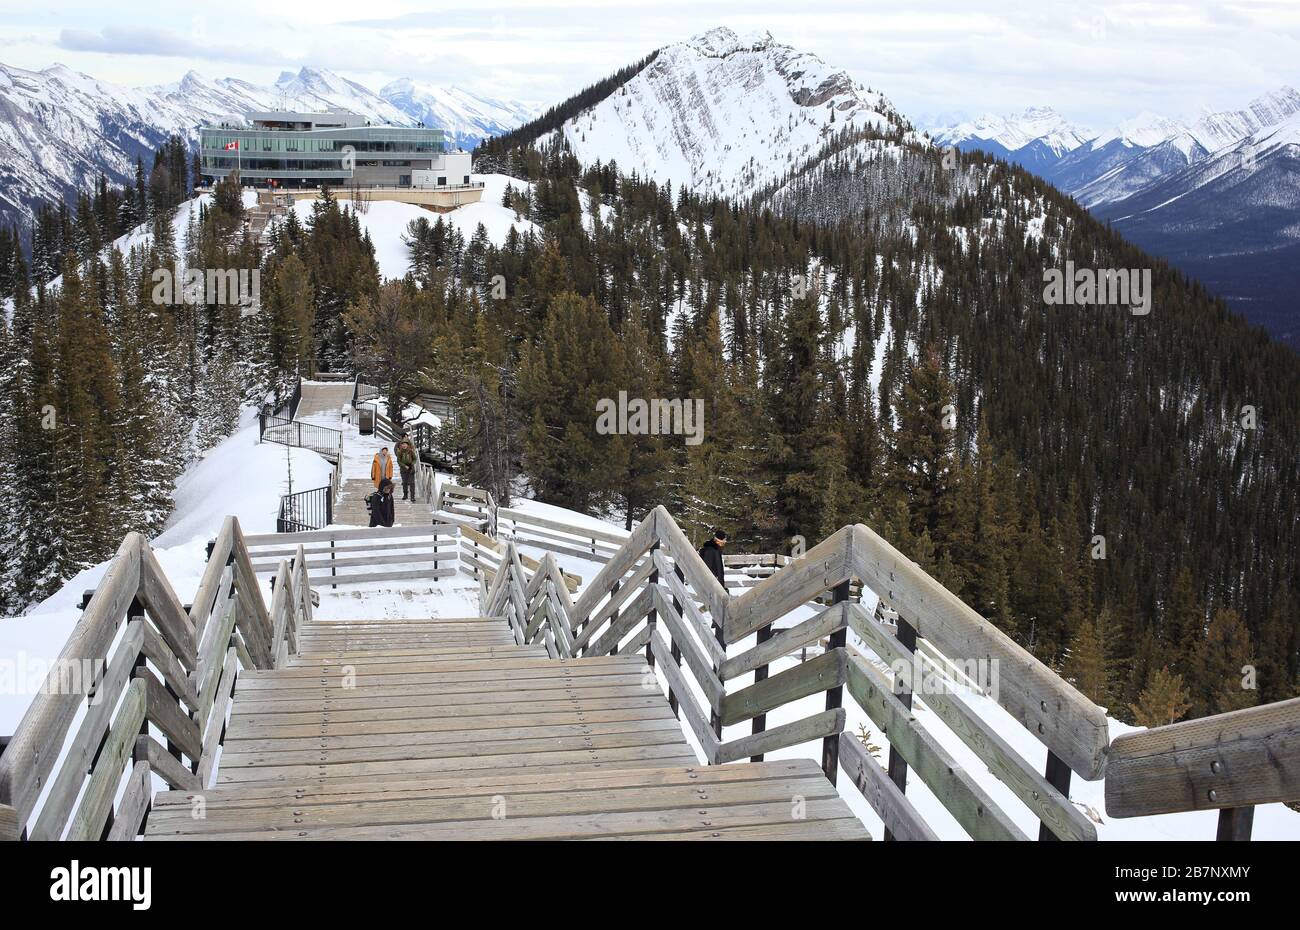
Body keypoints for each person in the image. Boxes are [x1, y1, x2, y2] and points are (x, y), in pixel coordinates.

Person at [395, 434, 417, 501]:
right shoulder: (400, 452)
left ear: (407, 445)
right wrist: (404, 466)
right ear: (401, 445)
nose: (404, 445)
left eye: (405, 444)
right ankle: (405, 495)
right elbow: (398, 461)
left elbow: (415, 459)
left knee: (412, 483)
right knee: (404, 482)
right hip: (403, 468)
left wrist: (411, 464)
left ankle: (412, 496)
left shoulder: (411, 451)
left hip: (411, 468)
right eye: (403, 444)